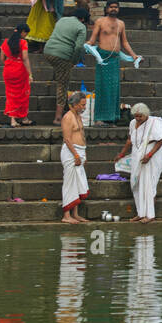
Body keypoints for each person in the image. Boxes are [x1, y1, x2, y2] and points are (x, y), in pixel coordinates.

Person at [87, 0, 141, 126]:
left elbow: (125, 42)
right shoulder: (100, 21)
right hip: (103, 59)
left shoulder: (121, 24)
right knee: (102, 88)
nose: (113, 9)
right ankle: (99, 119)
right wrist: (88, 45)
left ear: (118, 9)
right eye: (111, 7)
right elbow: (92, 40)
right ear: (106, 9)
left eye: (116, 7)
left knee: (114, 89)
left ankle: (111, 118)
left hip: (115, 59)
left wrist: (133, 55)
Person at [115, 103, 162, 223]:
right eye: (136, 116)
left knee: (149, 185)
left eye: (140, 116)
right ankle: (141, 213)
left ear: (146, 115)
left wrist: (149, 155)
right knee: (136, 184)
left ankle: (150, 215)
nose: (138, 119)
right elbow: (130, 140)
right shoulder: (132, 123)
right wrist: (121, 154)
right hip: (137, 156)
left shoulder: (154, 122)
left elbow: (161, 139)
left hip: (152, 157)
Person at [45, 7, 94, 125]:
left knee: (61, 77)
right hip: (63, 56)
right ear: (83, 19)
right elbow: (78, 47)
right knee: (62, 85)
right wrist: (73, 61)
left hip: (48, 51)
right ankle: (57, 118)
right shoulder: (81, 27)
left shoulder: (62, 20)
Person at [60, 90, 91, 223]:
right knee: (69, 183)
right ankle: (66, 216)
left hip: (80, 152)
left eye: (85, 105)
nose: (84, 108)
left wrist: (84, 153)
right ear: (74, 104)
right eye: (82, 105)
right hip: (71, 153)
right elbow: (67, 139)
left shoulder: (77, 116)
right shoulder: (68, 117)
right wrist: (76, 155)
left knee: (77, 184)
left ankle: (75, 214)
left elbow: (82, 136)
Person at [0, 23, 34, 127]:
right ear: (22, 32)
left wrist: (11, 63)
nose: (26, 35)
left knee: (10, 95)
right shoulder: (23, 42)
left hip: (8, 70)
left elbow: (2, 59)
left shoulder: (6, 42)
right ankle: (24, 118)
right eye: (26, 33)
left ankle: (13, 120)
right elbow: (25, 58)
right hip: (20, 71)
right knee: (23, 94)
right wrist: (30, 74)